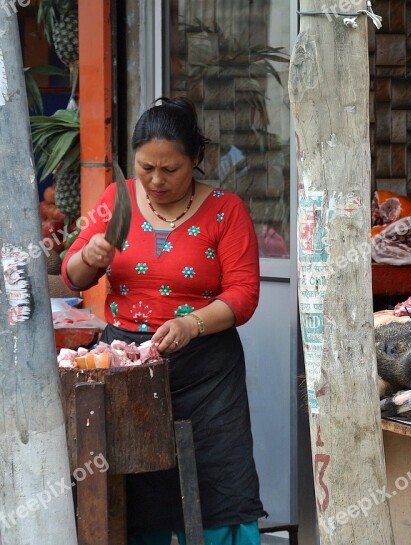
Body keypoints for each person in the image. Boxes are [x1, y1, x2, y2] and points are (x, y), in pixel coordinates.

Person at [61, 97, 266, 545]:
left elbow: (244, 294)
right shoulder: (118, 199)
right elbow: (72, 273)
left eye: (169, 169)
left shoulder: (226, 211)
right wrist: (88, 258)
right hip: (129, 371)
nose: (155, 180)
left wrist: (191, 324)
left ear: (194, 158)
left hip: (208, 374)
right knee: (135, 487)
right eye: (145, 167)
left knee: (218, 483)